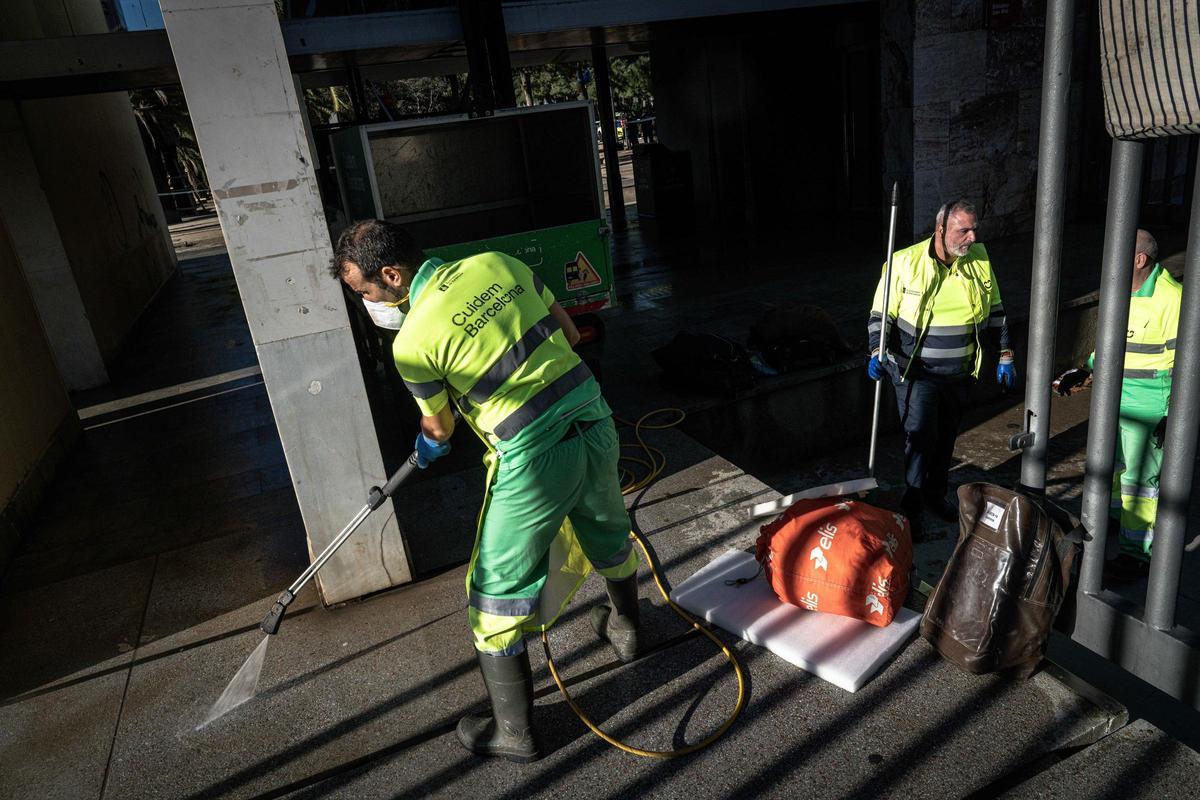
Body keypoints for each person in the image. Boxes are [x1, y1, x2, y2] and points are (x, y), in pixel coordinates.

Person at [330, 220, 641, 763]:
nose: (368, 302)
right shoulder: (498, 263)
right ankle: (630, 631)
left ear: (392, 274)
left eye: (367, 292)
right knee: (607, 529)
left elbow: (441, 429)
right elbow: (570, 336)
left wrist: (429, 446)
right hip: (595, 420)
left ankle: (515, 734)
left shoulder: (413, 343)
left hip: (534, 462)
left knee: (494, 594)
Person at [866, 199, 1015, 536]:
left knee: (947, 437)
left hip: (959, 372)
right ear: (941, 230)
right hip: (916, 373)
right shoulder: (904, 263)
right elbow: (881, 315)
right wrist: (876, 350)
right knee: (919, 438)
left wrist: (1006, 353)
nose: (972, 237)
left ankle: (935, 495)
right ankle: (912, 507)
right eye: (964, 230)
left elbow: (996, 311)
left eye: (974, 229)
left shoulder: (978, 259)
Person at [1052, 229, 1179, 583]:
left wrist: (1174, 413)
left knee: (1140, 481)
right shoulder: (1120, 292)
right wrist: (1087, 370)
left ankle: (1136, 555)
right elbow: (1111, 342)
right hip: (1115, 399)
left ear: (1139, 260)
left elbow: (1186, 364)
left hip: (1149, 407)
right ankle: (1112, 519)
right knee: (1112, 468)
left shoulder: (1174, 300)